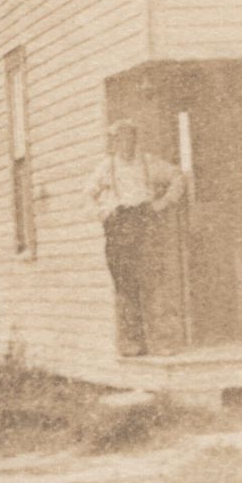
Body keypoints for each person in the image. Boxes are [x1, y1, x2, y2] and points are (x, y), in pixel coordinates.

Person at [87, 119, 186, 356]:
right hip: (119, 226)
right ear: (114, 142)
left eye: (130, 138)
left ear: (135, 139)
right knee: (125, 285)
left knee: (154, 282)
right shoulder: (106, 167)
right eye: (121, 139)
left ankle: (161, 342)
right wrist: (102, 213)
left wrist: (164, 202)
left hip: (145, 223)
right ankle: (133, 344)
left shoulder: (148, 162)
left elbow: (177, 176)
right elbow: (87, 194)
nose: (126, 143)